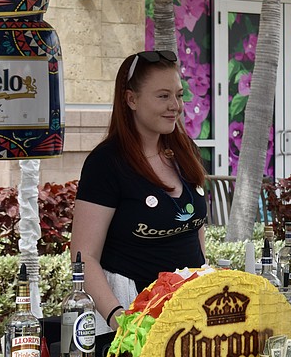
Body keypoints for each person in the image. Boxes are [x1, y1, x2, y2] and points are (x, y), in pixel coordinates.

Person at [70, 50, 208, 337]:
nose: (175, 106)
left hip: (189, 316)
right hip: (131, 316)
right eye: (163, 96)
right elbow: (83, 256)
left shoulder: (186, 152)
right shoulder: (106, 163)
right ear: (131, 99)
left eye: (179, 95)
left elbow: (195, 230)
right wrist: (119, 318)